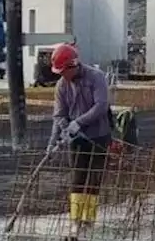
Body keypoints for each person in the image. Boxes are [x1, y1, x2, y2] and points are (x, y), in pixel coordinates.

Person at [47, 43, 112, 229]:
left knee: (94, 178)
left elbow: (101, 106)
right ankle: (76, 219)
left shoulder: (96, 78)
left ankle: (89, 220)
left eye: (63, 71)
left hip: (98, 136)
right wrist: (57, 138)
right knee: (77, 177)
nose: (61, 75)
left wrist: (79, 122)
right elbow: (59, 115)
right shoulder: (61, 85)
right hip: (77, 140)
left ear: (73, 65)